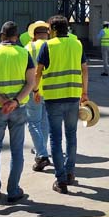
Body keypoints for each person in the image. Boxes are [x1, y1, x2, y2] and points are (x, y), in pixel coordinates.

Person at [0, 21, 37, 211]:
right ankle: (13, 190)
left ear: (1, 36)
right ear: (17, 36)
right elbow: (30, 83)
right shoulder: (24, 54)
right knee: (17, 150)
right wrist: (15, 102)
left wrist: (2, 101)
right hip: (18, 109)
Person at [36, 15, 89, 194]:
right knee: (71, 136)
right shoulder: (77, 44)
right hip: (73, 97)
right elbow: (84, 70)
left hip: (53, 98)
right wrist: (84, 93)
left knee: (56, 139)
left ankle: (60, 179)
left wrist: (36, 91)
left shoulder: (48, 45)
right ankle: (70, 173)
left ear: (53, 29)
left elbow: (38, 71)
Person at [25, 21, 52, 173]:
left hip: (33, 89)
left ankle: (41, 154)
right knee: (44, 122)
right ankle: (40, 149)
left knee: (33, 122)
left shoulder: (29, 47)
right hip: (49, 90)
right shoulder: (52, 46)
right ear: (46, 34)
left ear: (34, 35)